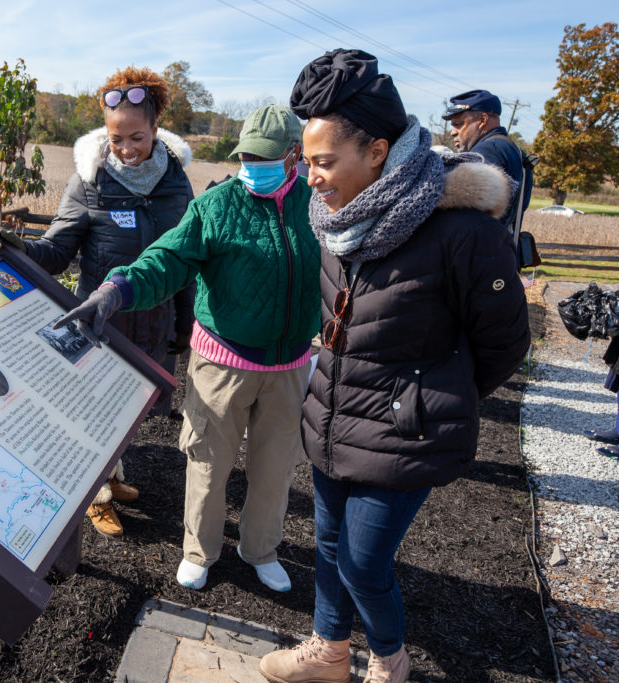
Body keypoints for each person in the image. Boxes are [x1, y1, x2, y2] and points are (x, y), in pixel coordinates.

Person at [253, 50, 530, 683]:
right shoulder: (337, 221)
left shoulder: (460, 231)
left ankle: (390, 661)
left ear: (378, 152)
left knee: (362, 563)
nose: (311, 177)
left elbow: (505, 344)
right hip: (332, 418)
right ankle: (327, 652)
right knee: (326, 548)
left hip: (406, 434)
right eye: (307, 161)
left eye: (323, 163)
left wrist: (430, 395)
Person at [55, 104, 320, 593]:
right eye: (247, 156)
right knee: (207, 461)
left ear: (293, 155)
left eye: (265, 157)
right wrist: (118, 289)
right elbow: (167, 258)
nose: (253, 167)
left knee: (275, 466)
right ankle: (200, 551)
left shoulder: (318, 203)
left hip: (289, 366)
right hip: (223, 363)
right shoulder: (217, 206)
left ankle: (260, 550)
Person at [0, 67, 195, 537]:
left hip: (154, 321)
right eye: (116, 138)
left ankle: (113, 476)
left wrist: (186, 320)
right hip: (100, 324)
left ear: (156, 130)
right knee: (94, 413)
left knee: (131, 410)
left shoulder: (177, 184)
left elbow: (185, 259)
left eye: (136, 137)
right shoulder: (89, 182)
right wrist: (21, 248)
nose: (125, 149)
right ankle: (96, 496)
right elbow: (58, 250)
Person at [442, 89, 532, 235]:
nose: (452, 132)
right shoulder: (513, 149)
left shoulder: (487, 149)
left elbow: (470, 217)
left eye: (458, 124)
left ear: (482, 120)